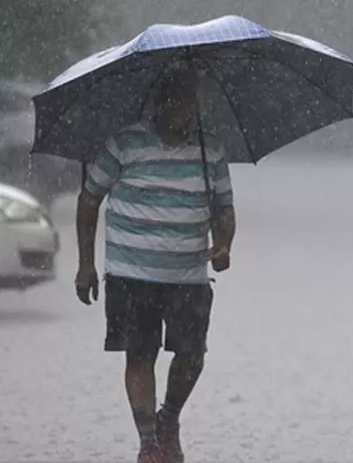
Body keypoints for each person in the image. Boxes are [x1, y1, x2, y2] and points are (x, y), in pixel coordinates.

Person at [74, 67, 236, 463]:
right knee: (140, 354)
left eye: (191, 99)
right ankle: (149, 442)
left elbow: (224, 207)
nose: (185, 107)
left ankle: (170, 419)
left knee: (192, 356)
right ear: (161, 100)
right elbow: (89, 198)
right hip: (132, 274)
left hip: (189, 275)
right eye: (178, 98)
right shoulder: (125, 144)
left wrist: (224, 244)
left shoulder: (209, 150)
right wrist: (85, 265)